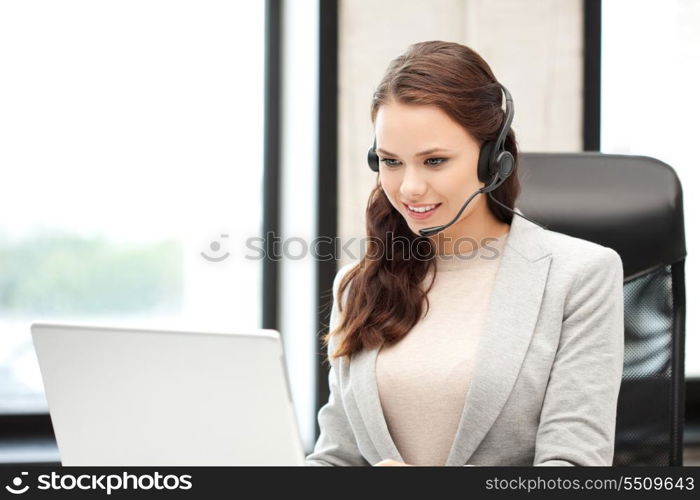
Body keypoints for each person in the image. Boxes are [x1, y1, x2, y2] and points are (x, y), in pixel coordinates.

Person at [305, 40, 624, 466]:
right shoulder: (357, 283)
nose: (409, 187)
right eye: (390, 161)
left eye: (434, 161)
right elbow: (337, 458)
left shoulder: (579, 275)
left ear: (492, 159)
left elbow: (573, 471)